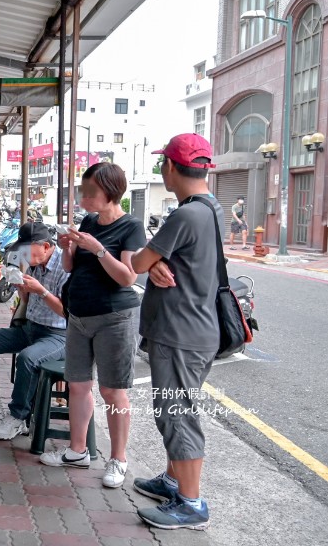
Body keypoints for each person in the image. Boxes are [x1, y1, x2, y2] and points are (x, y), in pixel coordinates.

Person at [130, 133, 221, 530]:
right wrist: (155, 264)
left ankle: (191, 503)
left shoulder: (185, 214)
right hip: (197, 329)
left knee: (176, 415)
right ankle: (172, 481)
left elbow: (136, 261)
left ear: (169, 166)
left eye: (162, 163)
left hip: (180, 334)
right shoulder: (211, 208)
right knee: (178, 409)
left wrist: (149, 263)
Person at [37, 163, 145, 489]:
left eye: (90, 193)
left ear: (111, 193)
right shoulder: (88, 222)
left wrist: (98, 249)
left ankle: (118, 459)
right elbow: (70, 267)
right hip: (78, 315)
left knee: (113, 390)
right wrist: (68, 247)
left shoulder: (131, 227)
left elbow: (128, 277)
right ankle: (77, 450)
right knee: (78, 385)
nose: (84, 199)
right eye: (83, 192)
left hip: (114, 318)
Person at [0, 223, 69, 440]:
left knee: (27, 358)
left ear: (45, 246)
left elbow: (67, 312)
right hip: (31, 328)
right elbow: (29, 302)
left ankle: (18, 418)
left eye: (27, 250)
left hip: (58, 336)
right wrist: (22, 289)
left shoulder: (65, 267)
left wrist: (41, 291)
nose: (23, 255)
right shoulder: (35, 264)